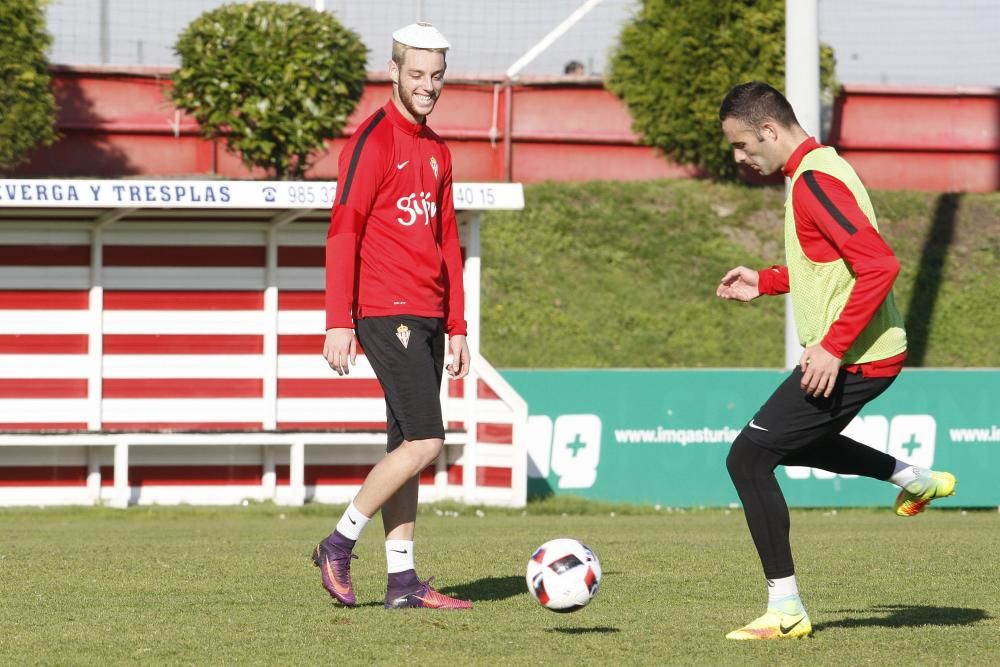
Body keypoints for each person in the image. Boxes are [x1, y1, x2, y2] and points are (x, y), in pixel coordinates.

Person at [716, 81, 956, 640]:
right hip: (863, 354)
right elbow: (830, 261)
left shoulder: (815, 181)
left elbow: (879, 265)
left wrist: (831, 346)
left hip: (857, 357)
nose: (739, 157)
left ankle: (787, 608)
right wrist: (769, 281)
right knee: (794, 442)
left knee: (748, 459)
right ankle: (915, 479)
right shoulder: (818, 170)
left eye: (743, 145)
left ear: (769, 130)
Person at [312, 22, 472, 610]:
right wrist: (337, 320)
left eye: (437, 75)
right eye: (417, 74)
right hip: (385, 311)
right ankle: (337, 542)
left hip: (430, 315)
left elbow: (447, 240)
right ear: (394, 72)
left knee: (407, 448)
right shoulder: (372, 140)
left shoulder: (438, 149)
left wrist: (457, 326)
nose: (428, 86)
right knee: (427, 440)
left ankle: (403, 583)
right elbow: (343, 229)